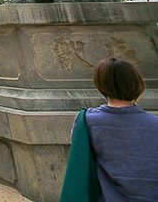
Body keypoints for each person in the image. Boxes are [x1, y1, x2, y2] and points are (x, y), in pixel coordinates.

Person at [60, 57, 158, 201]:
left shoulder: (87, 121)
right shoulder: (154, 124)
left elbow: (81, 166)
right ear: (137, 83)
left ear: (101, 85)